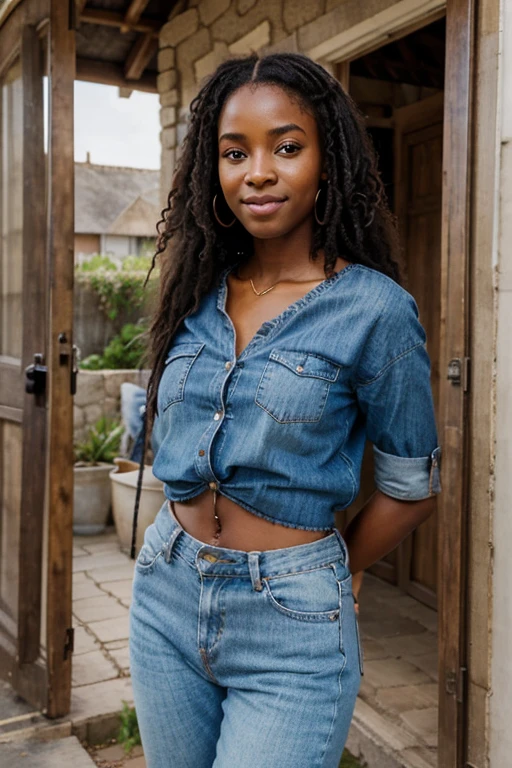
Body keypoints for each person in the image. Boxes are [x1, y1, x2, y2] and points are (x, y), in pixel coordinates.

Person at [129, 52, 441, 768]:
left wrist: (332, 570)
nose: (258, 172)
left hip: (292, 620)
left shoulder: (374, 310)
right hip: (166, 593)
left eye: (287, 147)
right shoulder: (193, 294)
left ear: (327, 161)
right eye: (235, 153)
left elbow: (412, 486)